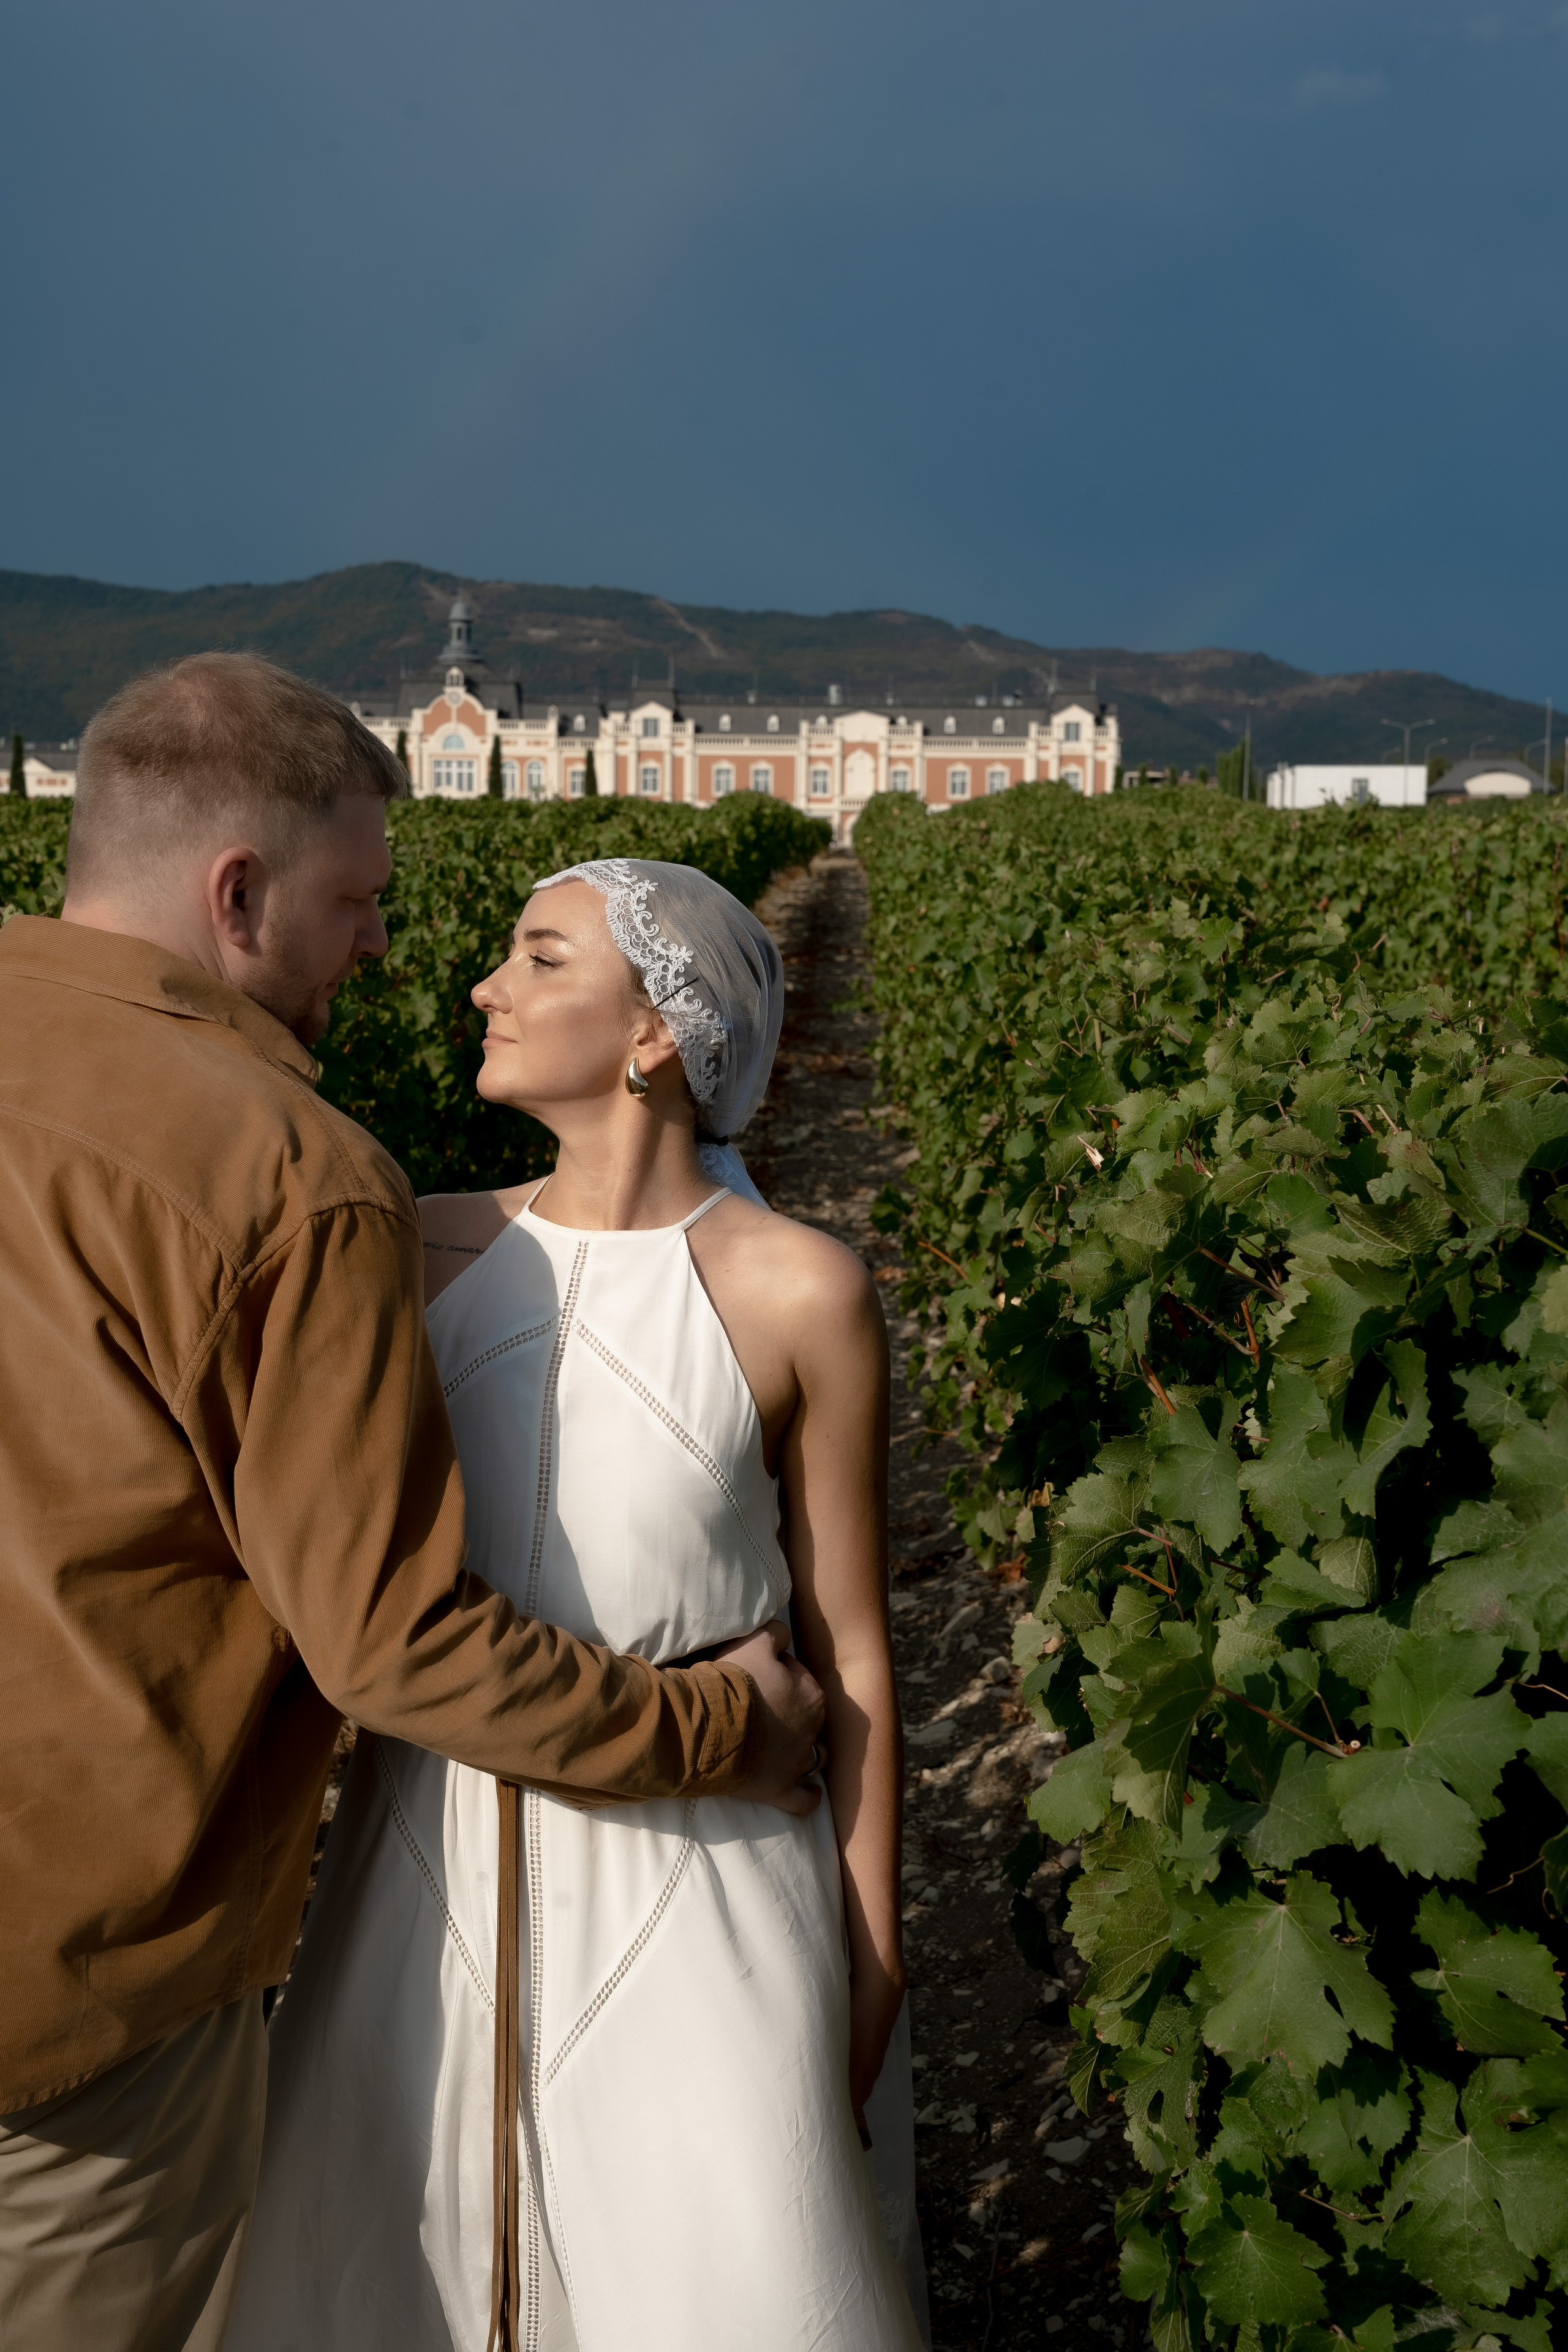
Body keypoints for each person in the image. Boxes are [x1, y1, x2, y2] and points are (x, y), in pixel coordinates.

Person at [0, 659, 822, 2352]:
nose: (392, 949)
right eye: (359, 899)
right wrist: (722, 1731)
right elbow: (392, 1648)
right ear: (238, 894)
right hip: (73, 2008)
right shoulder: (289, 1173)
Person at [228, 856, 928, 2351]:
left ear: (653, 1034)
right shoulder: (408, 1249)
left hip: (718, 1900)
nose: (485, 986)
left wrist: (868, 1971)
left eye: (538, 958)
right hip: (412, 1897)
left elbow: (850, 1648)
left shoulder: (800, 1291)